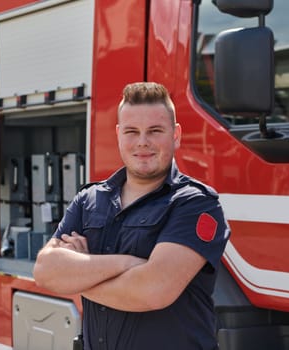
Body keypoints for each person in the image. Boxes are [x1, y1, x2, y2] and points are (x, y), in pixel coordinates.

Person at [33, 82, 230, 350]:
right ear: (118, 134)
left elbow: (153, 290)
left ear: (176, 134)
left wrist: (77, 276)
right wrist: (127, 264)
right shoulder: (89, 200)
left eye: (155, 131)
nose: (142, 142)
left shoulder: (195, 204)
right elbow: (45, 271)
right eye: (131, 131)